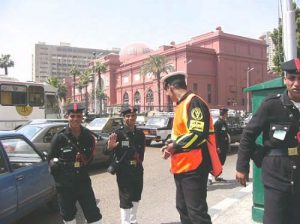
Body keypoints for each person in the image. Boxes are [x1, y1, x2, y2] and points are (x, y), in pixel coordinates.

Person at [236, 58, 300, 224]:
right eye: (292, 78)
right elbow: (248, 135)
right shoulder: (272, 105)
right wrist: (242, 167)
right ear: (285, 80)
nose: (296, 83)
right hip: (276, 175)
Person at [160, 71, 222, 224]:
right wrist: (169, 144)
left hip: (194, 167)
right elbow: (180, 133)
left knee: (197, 214)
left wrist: (174, 146)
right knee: (183, 208)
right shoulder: (181, 105)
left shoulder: (193, 102)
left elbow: (197, 133)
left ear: (170, 87)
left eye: (166, 92)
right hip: (182, 167)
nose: (168, 96)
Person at [48, 103, 102, 224]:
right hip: (65, 185)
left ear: (82, 117)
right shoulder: (59, 137)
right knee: (68, 215)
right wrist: (58, 178)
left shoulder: (88, 137)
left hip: (83, 182)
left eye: (78, 116)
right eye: (72, 116)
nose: (75, 119)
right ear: (67, 116)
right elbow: (50, 159)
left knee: (93, 214)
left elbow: (89, 161)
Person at [105, 107, 145, 224]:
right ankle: (125, 221)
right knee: (126, 197)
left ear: (136, 117)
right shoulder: (118, 133)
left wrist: (139, 160)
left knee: (136, 195)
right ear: (124, 118)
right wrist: (110, 147)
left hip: (137, 169)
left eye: (133, 116)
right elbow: (106, 151)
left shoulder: (140, 133)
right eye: (128, 116)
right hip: (124, 171)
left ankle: (133, 220)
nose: (130, 118)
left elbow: (142, 150)